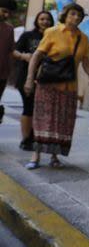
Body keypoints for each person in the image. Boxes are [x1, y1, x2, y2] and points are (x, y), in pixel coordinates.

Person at [23, 3, 89, 169]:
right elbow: (36, 56)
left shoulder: (83, 38)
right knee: (43, 120)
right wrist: (29, 79)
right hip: (48, 85)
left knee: (63, 123)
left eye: (79, 16)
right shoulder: (52, 32)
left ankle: (55, 156)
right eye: (73, 14)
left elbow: (86, 62)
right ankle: (36, 156)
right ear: (66, 15)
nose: (76, 18)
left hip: (69, 87)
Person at [13, 10, 54, 151]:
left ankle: (37, 137)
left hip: (47, 78)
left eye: (48, 19)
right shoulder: (28, 35)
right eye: (42, 19)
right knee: (28, 107)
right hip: (26, 77)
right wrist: (24, 56)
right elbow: (14, 51)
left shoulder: (54, 36)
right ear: (37, 20)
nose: (45, 22)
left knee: (41, 110)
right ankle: (26, 139)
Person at [0, 0, 18, 123]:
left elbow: (11, 51)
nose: (6, 15)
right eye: (4, 11)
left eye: (9, 13)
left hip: (2, 74)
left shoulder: (9, 28)